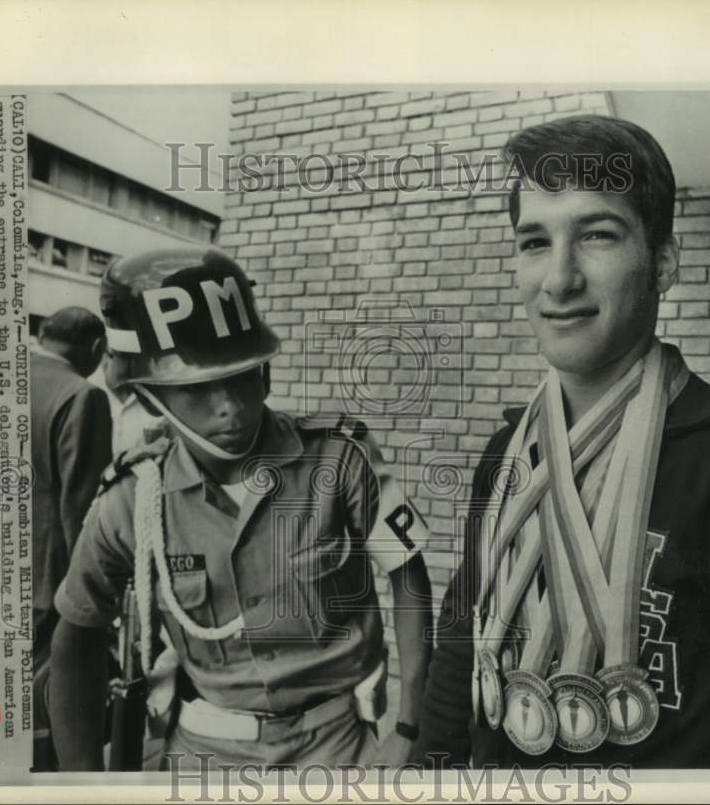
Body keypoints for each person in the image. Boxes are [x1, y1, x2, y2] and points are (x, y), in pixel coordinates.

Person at [412, 115, 710, 769]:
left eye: (597, 235)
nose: (559, 280)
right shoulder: (504, 457)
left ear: (663, 262)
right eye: (535, 242)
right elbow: (460, 647)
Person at [48, 248, 433, 770]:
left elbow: (408, 573)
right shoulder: (135, 498)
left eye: (243, 375)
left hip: (339, 747)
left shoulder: (340, 457)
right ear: (151, 394)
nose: (229, 405)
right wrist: (84, 787)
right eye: (197, 387)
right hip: (203, 756)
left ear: (266, 372)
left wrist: (409, 727)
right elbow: (76, 631)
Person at [29, 306, 114, 769]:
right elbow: (81, 511)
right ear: (97, 348)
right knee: (48, 705)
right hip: (48, 583)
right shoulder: (83, 396)